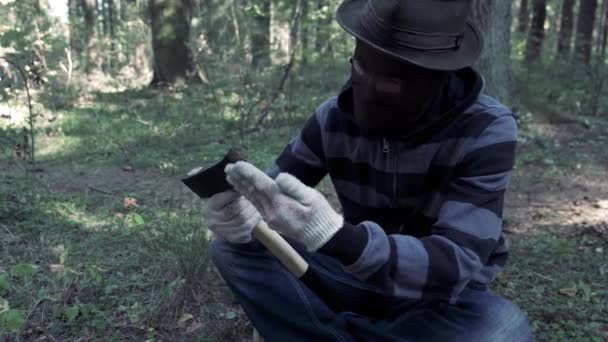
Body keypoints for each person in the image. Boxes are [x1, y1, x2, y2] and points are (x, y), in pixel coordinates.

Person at [202, 0, 533, 340]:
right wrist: (239, 215)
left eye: (392, 82)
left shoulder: (486, 129)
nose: (369, 89)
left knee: (503, 331)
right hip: (355, 277)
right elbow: (270, 197)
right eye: (360, 67)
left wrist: (337, 236)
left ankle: (329, 332)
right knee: (230, 248)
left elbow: (457, 262)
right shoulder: (331, 119)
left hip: (441, 300)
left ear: (436, 78)